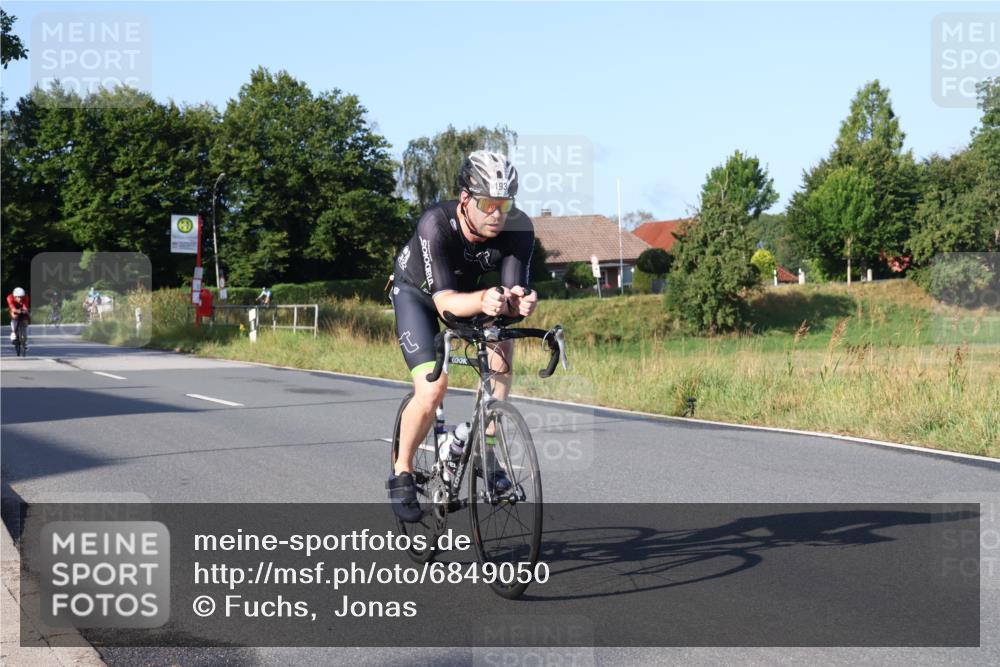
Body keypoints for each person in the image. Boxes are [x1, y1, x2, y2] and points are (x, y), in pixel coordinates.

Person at [387, 150, 538, 522]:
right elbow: (446, 306)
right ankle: (402, 471)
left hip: (469, 296)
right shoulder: (435, 224)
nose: (497, 214)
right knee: (432, 388)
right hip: (419, 296)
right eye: (488, 203)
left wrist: (521, 301)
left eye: (504, 203)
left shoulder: (519, 228)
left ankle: (487, 454)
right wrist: (486, 300)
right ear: (467, 199)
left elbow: (511, 292)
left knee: (502, 347)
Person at [7, 287, 30, 351]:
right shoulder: (9, 298)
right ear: (15, 296)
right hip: (14, 309)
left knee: (25, 321)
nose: (20, 298)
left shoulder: (26, 297)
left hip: (22, 309)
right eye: (19, 297)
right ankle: (13, 332)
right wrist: (16, 311)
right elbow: (12, 307)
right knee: (14, 316)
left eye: (22, 297)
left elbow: (25, 307)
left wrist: (25, 311)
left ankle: (25, 341)